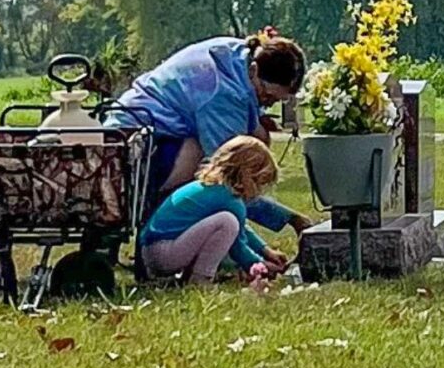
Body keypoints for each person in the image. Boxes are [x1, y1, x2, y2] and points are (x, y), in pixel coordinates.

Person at [105, 31, 312, 234]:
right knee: (205, 166)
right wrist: (289, 219)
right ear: (254, 70)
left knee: (256, 137)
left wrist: (255, 118)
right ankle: (161, 225)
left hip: (140, 124)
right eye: (266, 97)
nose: (267, 105)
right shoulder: (222, 94)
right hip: (135, 145)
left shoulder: (237, 54)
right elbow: (229, 180)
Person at [139, 136, 286, 284]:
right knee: (227, 222)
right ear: (247, 175)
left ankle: (188, 277)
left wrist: (265, 250)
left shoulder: (211, 188)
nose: (258, 192)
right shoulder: (230, 200)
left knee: (229, 222)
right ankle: (201, 278)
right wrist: (260, 265)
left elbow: (241, 229)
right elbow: (237, 244)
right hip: (165, 254)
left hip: (152, 252)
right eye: (259, 183)